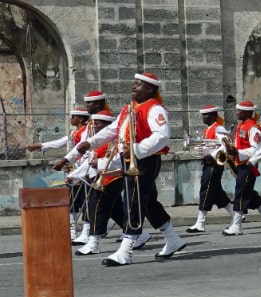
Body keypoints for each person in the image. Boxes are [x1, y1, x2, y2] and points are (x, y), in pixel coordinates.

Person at [62, 73, 187, 266]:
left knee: (134, 202)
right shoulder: (129, 108)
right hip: (129, 159)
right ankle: (173, 239)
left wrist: (136, 149)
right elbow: (113, 130)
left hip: (144, 160)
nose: (134, 87)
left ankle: (126, 250)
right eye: (134, 83)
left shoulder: (154, 108)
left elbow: (162, 136)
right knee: (148, 203)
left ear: (150, 89)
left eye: (139, 85)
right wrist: (91, 142)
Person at [28, 107, 90, 242]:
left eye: (73, 116)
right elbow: (59, 143)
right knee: (72, 201)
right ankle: (72, 232)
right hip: (73, 171)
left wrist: (72, 164)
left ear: (80, 118)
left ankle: (88, 233)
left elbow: (83, 152)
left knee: (86, 201)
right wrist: (39, 146)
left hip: (83, 171)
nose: (71, 119)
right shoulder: (74, 133)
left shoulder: (87, 132)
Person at [221, 100, 261, 236]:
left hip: (248, 164)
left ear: (247, 112)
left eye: (240, 111)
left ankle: (237, 225)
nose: (237, 113)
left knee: (241, 192)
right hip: (240, 163)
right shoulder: (241, 125)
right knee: (248, 193)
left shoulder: (252, 127)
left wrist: (238, 152)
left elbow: (255, 149)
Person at [74, 110, 124, 255]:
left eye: (98, 123)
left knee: (97, 207)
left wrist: (100, 163)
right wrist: (75, 176)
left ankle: (94, 243)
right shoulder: (97, 141)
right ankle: (139, 235)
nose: (94, 125)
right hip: (102, 177)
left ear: (108, 125)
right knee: (115, 210)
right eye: (94, 122)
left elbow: (118, 159)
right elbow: (89, 162)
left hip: (113, 176)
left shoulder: (114, 141)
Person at [185, 105, 233, 233]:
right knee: (216, 192)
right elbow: (210, 144)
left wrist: (211, 155)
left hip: (215, 163)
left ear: (212, 115)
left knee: (206, 189)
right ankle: (235, 214)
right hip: (208, 162)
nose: (203, 118)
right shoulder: (208, 129)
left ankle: (200, 223)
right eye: (203, 115)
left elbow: (225, 146)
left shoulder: (219, 128)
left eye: (206, 115)